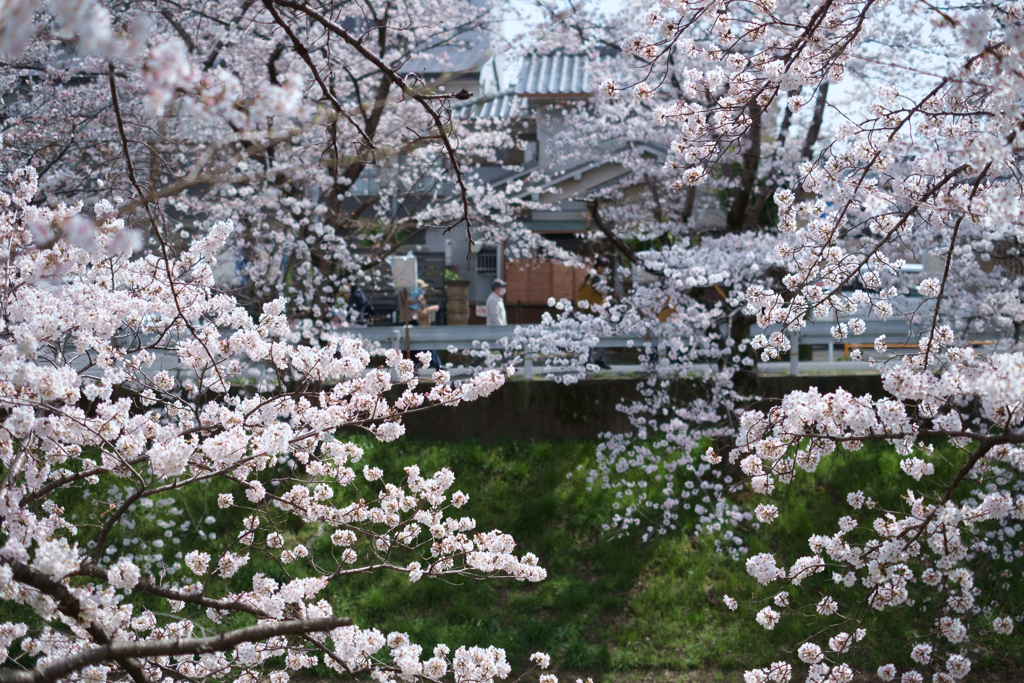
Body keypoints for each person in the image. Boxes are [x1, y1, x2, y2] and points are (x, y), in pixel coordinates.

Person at [576, 256, 612, 370]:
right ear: (600, 267)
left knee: (591, 337)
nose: (606, 269)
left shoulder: (589, 277)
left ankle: (588, 360)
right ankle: (597, 360)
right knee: (602, 336)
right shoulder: (596, 278)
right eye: (605, 267)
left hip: (588, 311)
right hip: (593, 312)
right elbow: (604, 291)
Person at [397, 280, 441, 369]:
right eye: (422, 288)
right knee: (419, 345)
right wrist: (421, 300)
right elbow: (411, 305)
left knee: (416, 347)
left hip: (414, 321)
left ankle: (415, 367)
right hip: (409, 320)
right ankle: (436, 364)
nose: (424, 290)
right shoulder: (406, 292)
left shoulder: (414, 295)